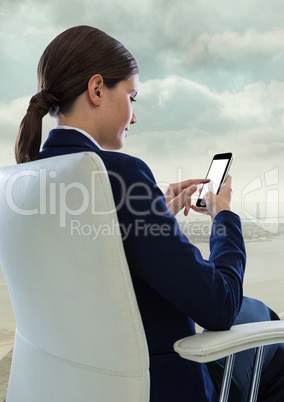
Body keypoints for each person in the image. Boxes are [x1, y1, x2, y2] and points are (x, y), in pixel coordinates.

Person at [15, 25, 284, 402]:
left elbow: (95, 262)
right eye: (132, 97)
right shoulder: (122, 174)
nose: (134, 117)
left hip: (77, 383)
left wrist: (159, 212)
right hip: (161, 380)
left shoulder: (27, 177)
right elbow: (219, 305)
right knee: (270, 329)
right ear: (96, 90)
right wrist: (225, 217)